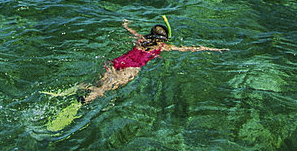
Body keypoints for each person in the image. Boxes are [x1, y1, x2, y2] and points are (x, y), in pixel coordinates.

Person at [78, 19, 226, 104]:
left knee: (100, 82)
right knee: (104, 89)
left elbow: (132, 32)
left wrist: (126, 25)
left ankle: (80, 88)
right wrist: (210, 49)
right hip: (131, 69)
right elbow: (187, 49)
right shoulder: (162, 47)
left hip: (118, 62)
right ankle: (84, 101)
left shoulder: (142, 39)